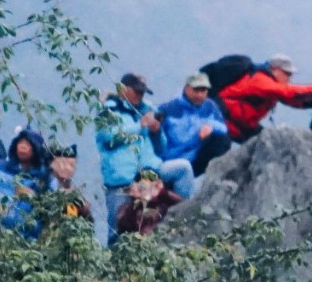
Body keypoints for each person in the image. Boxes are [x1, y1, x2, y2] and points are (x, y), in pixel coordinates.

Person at [97, 73, 193, 239]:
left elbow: (161, 148)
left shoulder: (148, 109)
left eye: (143, 92)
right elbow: (107, 137)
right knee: (116, 228)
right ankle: (112, 260)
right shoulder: (109, 110)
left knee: (183, 169)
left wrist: (156, 132)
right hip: (121, 179)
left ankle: (181, 218)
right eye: (137, 91)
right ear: (123, 90)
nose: (141, 96)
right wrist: (138, 126)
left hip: (150, 171)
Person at [218, 54, 312, 143]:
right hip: (225, 120)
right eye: (287, 74)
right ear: (275, 70)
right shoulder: (260, 80)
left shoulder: (271, 84)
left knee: (266, 144)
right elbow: (284, 92)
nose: (289, 79)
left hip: (242, 124)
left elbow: (292, 100)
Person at [155, 72, 234, 177]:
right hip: (172, 159)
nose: (200, 95)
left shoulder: (210, 106)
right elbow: (153, 137)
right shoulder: (168, 109)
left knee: (222, 141)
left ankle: (214, 179)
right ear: (187, 88)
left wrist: (210, 126)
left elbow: (223, 128)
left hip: (195, 156)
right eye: (196, 90)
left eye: (203, 90)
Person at [0, 127, 55, 237]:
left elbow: (51, 211)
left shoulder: (45, 179)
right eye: (20, 142)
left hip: (27, 242)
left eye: (28, 143)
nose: (23, 146)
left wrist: (34, 197)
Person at [113, 166, 182, 239]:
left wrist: (163, 192)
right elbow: (140, 230)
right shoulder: (131, 209)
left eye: (154, 186)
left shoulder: (164, 200)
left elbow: (182, 204)